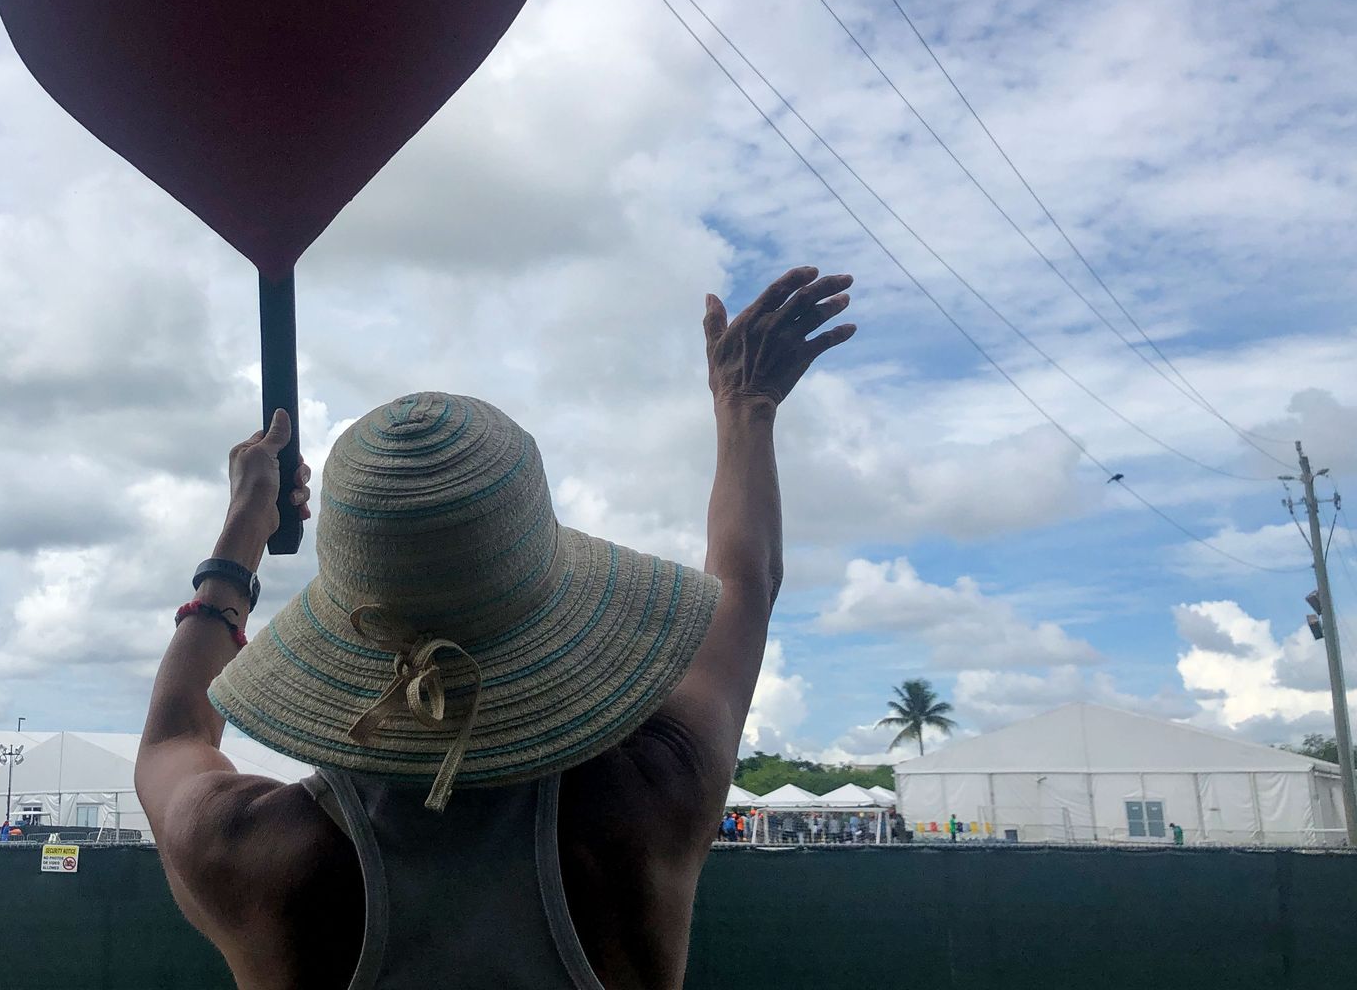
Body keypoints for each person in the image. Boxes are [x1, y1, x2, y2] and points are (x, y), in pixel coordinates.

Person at [135, 268, 856, 989]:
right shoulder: (652, 794)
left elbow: (174, 738)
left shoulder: (251, 849)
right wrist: (745, 407)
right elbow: (747, 583)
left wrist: (243, 531)